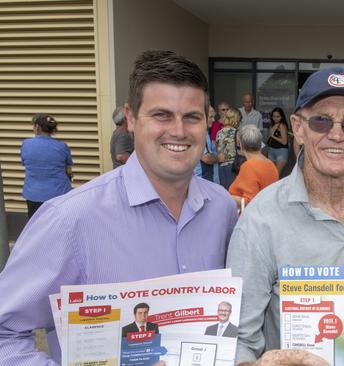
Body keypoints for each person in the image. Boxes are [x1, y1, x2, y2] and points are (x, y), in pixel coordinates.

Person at [0, 50, 238, 364]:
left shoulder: (220, 206)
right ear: (130, 118)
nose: (179, 131)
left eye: (192, 117)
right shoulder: (70, 220)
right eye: (162, 115)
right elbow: (5, 334)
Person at [226, 67, 344, 364]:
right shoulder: (260, 219)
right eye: (321, 121)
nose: (337, 135)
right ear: (298, 128)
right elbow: (238, 340)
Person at [20, 114, 73, 218]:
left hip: (33, 193)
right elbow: (68, 168)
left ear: (37, 127)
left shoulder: (26, 144)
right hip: (59, 193)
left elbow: (24, 163)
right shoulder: (62, 146)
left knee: (36, 228)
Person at [228, 125, 279, 210]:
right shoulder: (270, 164)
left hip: (251, 219)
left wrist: (225, 197)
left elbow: (249, 203)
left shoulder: (249, 166)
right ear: (260, 144)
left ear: (241, 145)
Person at [216, 107, 240, 189]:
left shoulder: (219, 132)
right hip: (232, 165)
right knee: (232, 191)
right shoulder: (236, 132)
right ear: (236, 118)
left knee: (223, 192)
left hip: (221, 165)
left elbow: (217, 148)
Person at [266, 107, 289, 173]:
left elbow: (284, 142)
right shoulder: (272, 124)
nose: (275, 118)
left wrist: (273, 136)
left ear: (281, 117)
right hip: (271, 150)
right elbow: (268, 137)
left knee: (276, 175)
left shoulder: (282, 125)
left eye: (277, 116)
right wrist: (273, 129)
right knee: (270, 174)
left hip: (281, 151)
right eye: (273, 116)